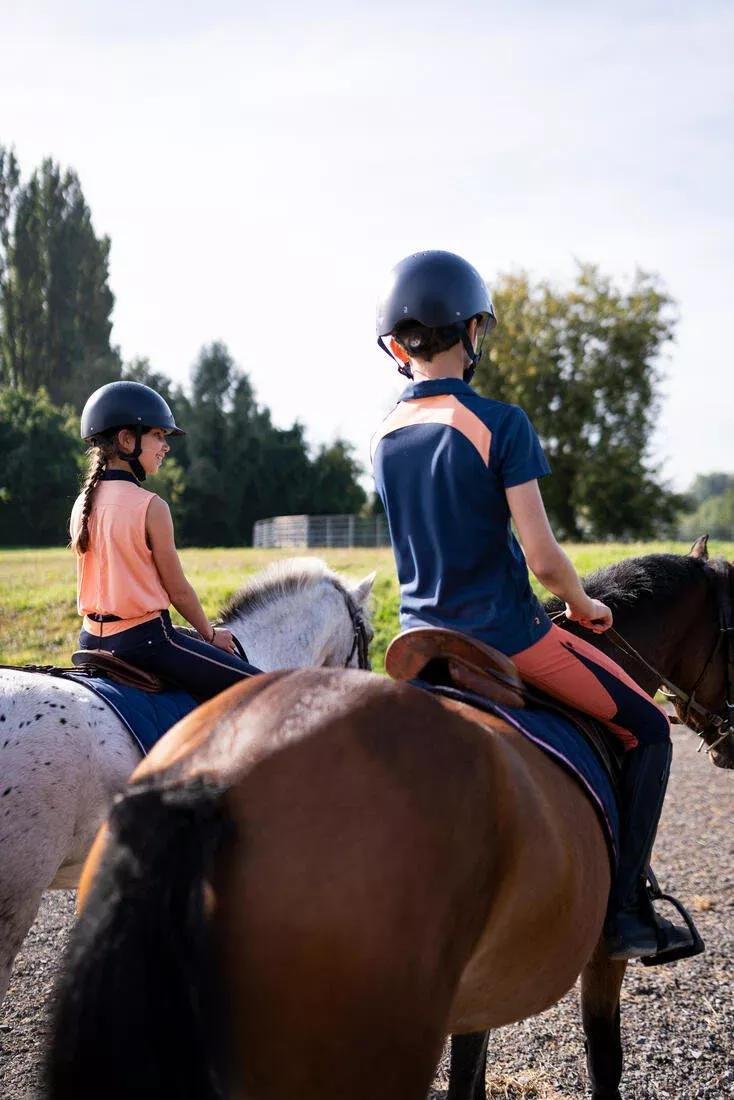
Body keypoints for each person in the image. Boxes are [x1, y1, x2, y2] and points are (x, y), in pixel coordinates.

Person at [372, 250, 700, 964]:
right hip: (503, 635)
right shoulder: (501, 423)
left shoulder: (383, 435)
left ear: (398, 347)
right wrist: (583, 605)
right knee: (648, 728)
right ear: (471, 329)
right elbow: (545, 559)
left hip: (416, 642)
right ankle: (625, 913)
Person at [69, 380, 260, 699]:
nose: (165, 446)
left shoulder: (81, 504)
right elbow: (178, 590)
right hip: (145, 643)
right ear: (127, 440)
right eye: (158, 435)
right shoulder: (151, 506)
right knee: (263, 688)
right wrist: (210, 634)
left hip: (90, 640)